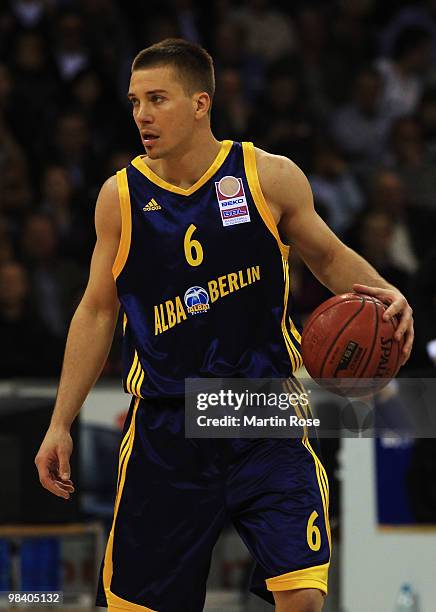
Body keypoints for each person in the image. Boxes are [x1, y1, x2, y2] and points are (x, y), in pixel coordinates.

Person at [35, 39, 414, 612]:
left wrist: (385, 293)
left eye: (157, 99)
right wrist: (60, 421)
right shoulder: (120, 197)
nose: (141, 114)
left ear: (200, 104)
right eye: (135, 100)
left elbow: (329, 257)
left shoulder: (268, 176)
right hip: (168, 426)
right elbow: (96, 311)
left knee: (303, 596)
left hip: (263, 413)